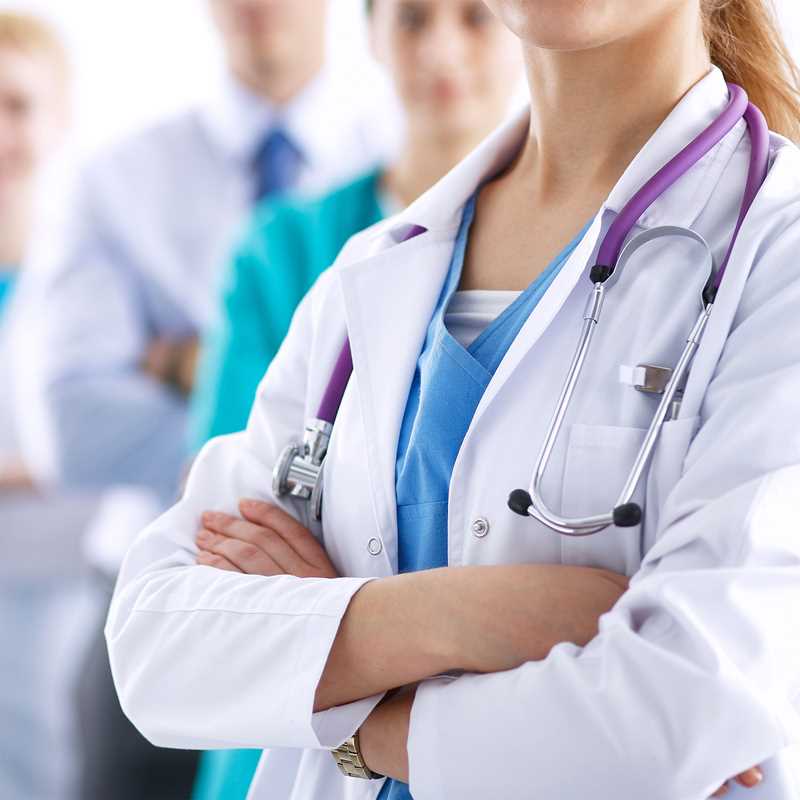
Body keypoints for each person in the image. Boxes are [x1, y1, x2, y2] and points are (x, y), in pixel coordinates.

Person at [107, 0, 800, 798]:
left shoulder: (774, 253)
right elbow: (156, 643)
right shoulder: (373, 270)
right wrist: (461, 614)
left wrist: (347, 712)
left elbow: (670, 717)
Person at [13, 2, 395, 798]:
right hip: (147, 603)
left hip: (334, 611)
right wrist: (294, 448)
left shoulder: (406, 159)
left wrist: (188, 361)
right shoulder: (116, 177)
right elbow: (73, 430)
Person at [188, 1, 522, 796]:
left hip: (487, 731)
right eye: (411, 20)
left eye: (475, 18)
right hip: (281, 727)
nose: (442, 49)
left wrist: (334, 607)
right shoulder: (291, 246)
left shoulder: (586, 252)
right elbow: (229, 523)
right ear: (369, 36)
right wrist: (446, 617)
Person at [0, 13, 97, 800]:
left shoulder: (91, 270)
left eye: (17, 105)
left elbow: (119, 448)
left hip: (62, 589)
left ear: (60, 118)